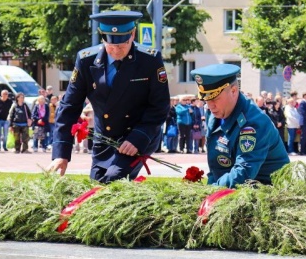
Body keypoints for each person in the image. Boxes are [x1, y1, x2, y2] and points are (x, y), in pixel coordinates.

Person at [47, 11, 169, 183]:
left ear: (132, 34)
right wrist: (61, 153)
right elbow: (69, 107)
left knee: (112, 180)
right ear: (103, 38)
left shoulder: (149, 60)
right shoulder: (86, 61)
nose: (116, 50)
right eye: (111, 45)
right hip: (105, 138)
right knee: (96, 184)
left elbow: (160, 105)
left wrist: (138, 137)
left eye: (122, 44)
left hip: (136, 137)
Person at [191, 63, 289, 187]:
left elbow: (243, 173)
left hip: (265, 192)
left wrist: (209, 192)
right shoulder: (215, 113)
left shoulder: (254, 122)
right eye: (206, 99)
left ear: (233, 91)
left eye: (214, 99)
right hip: (233, 189)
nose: (210, 105)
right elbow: (216, 167)